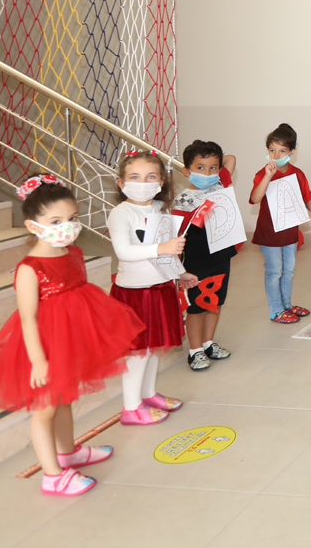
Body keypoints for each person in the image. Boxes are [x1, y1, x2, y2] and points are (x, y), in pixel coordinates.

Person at [0, 174, 142, 496]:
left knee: (65, 397)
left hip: (69, 338)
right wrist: (38, 361)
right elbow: (28, 318)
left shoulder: (72, 253)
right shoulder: (29, 268)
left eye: (72, 218)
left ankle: (68, 452)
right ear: (32, 226)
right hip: (42, 346)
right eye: (55, 221)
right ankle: (52, 475)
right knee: (45, 409)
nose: (66, 227)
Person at [108, 152, 190, 425]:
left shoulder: (159, 209)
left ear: (161, 182)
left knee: (154, 348)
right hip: (135, 292)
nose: (142, 183)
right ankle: (131, 408)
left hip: (160, 287)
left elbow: (167, 253)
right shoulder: (121, 213)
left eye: (150, 177)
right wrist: (162, 248)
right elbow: (123, 251)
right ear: (122, 183)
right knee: (138, 353)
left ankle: (148, 394)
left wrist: (181, 273)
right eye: (135, 177)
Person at [173, 140, 238, 372]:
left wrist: (214, 164)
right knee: (197, 306)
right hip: (196, 261)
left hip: (221, 257)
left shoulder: (220, 184)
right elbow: (175, 239)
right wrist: (179, 271)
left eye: (213, 168)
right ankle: (195, 349)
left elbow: (230, 158)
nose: (208, 173)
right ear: (186, 171)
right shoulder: (182, 202)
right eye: (200, 168)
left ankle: (208, 343)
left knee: (215, 302)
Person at [249, 123, 311, 323]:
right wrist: (268, 176)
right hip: (269, 232)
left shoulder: (297, 174)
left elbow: (307, 197)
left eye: (282, 151)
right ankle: (275, 310)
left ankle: (287, 305)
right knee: (274, 271)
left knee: (288, 270)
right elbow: (255, 198)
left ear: (292, 152)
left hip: (290, 231)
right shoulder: (262, 174)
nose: (276, 155)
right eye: (272, 150)